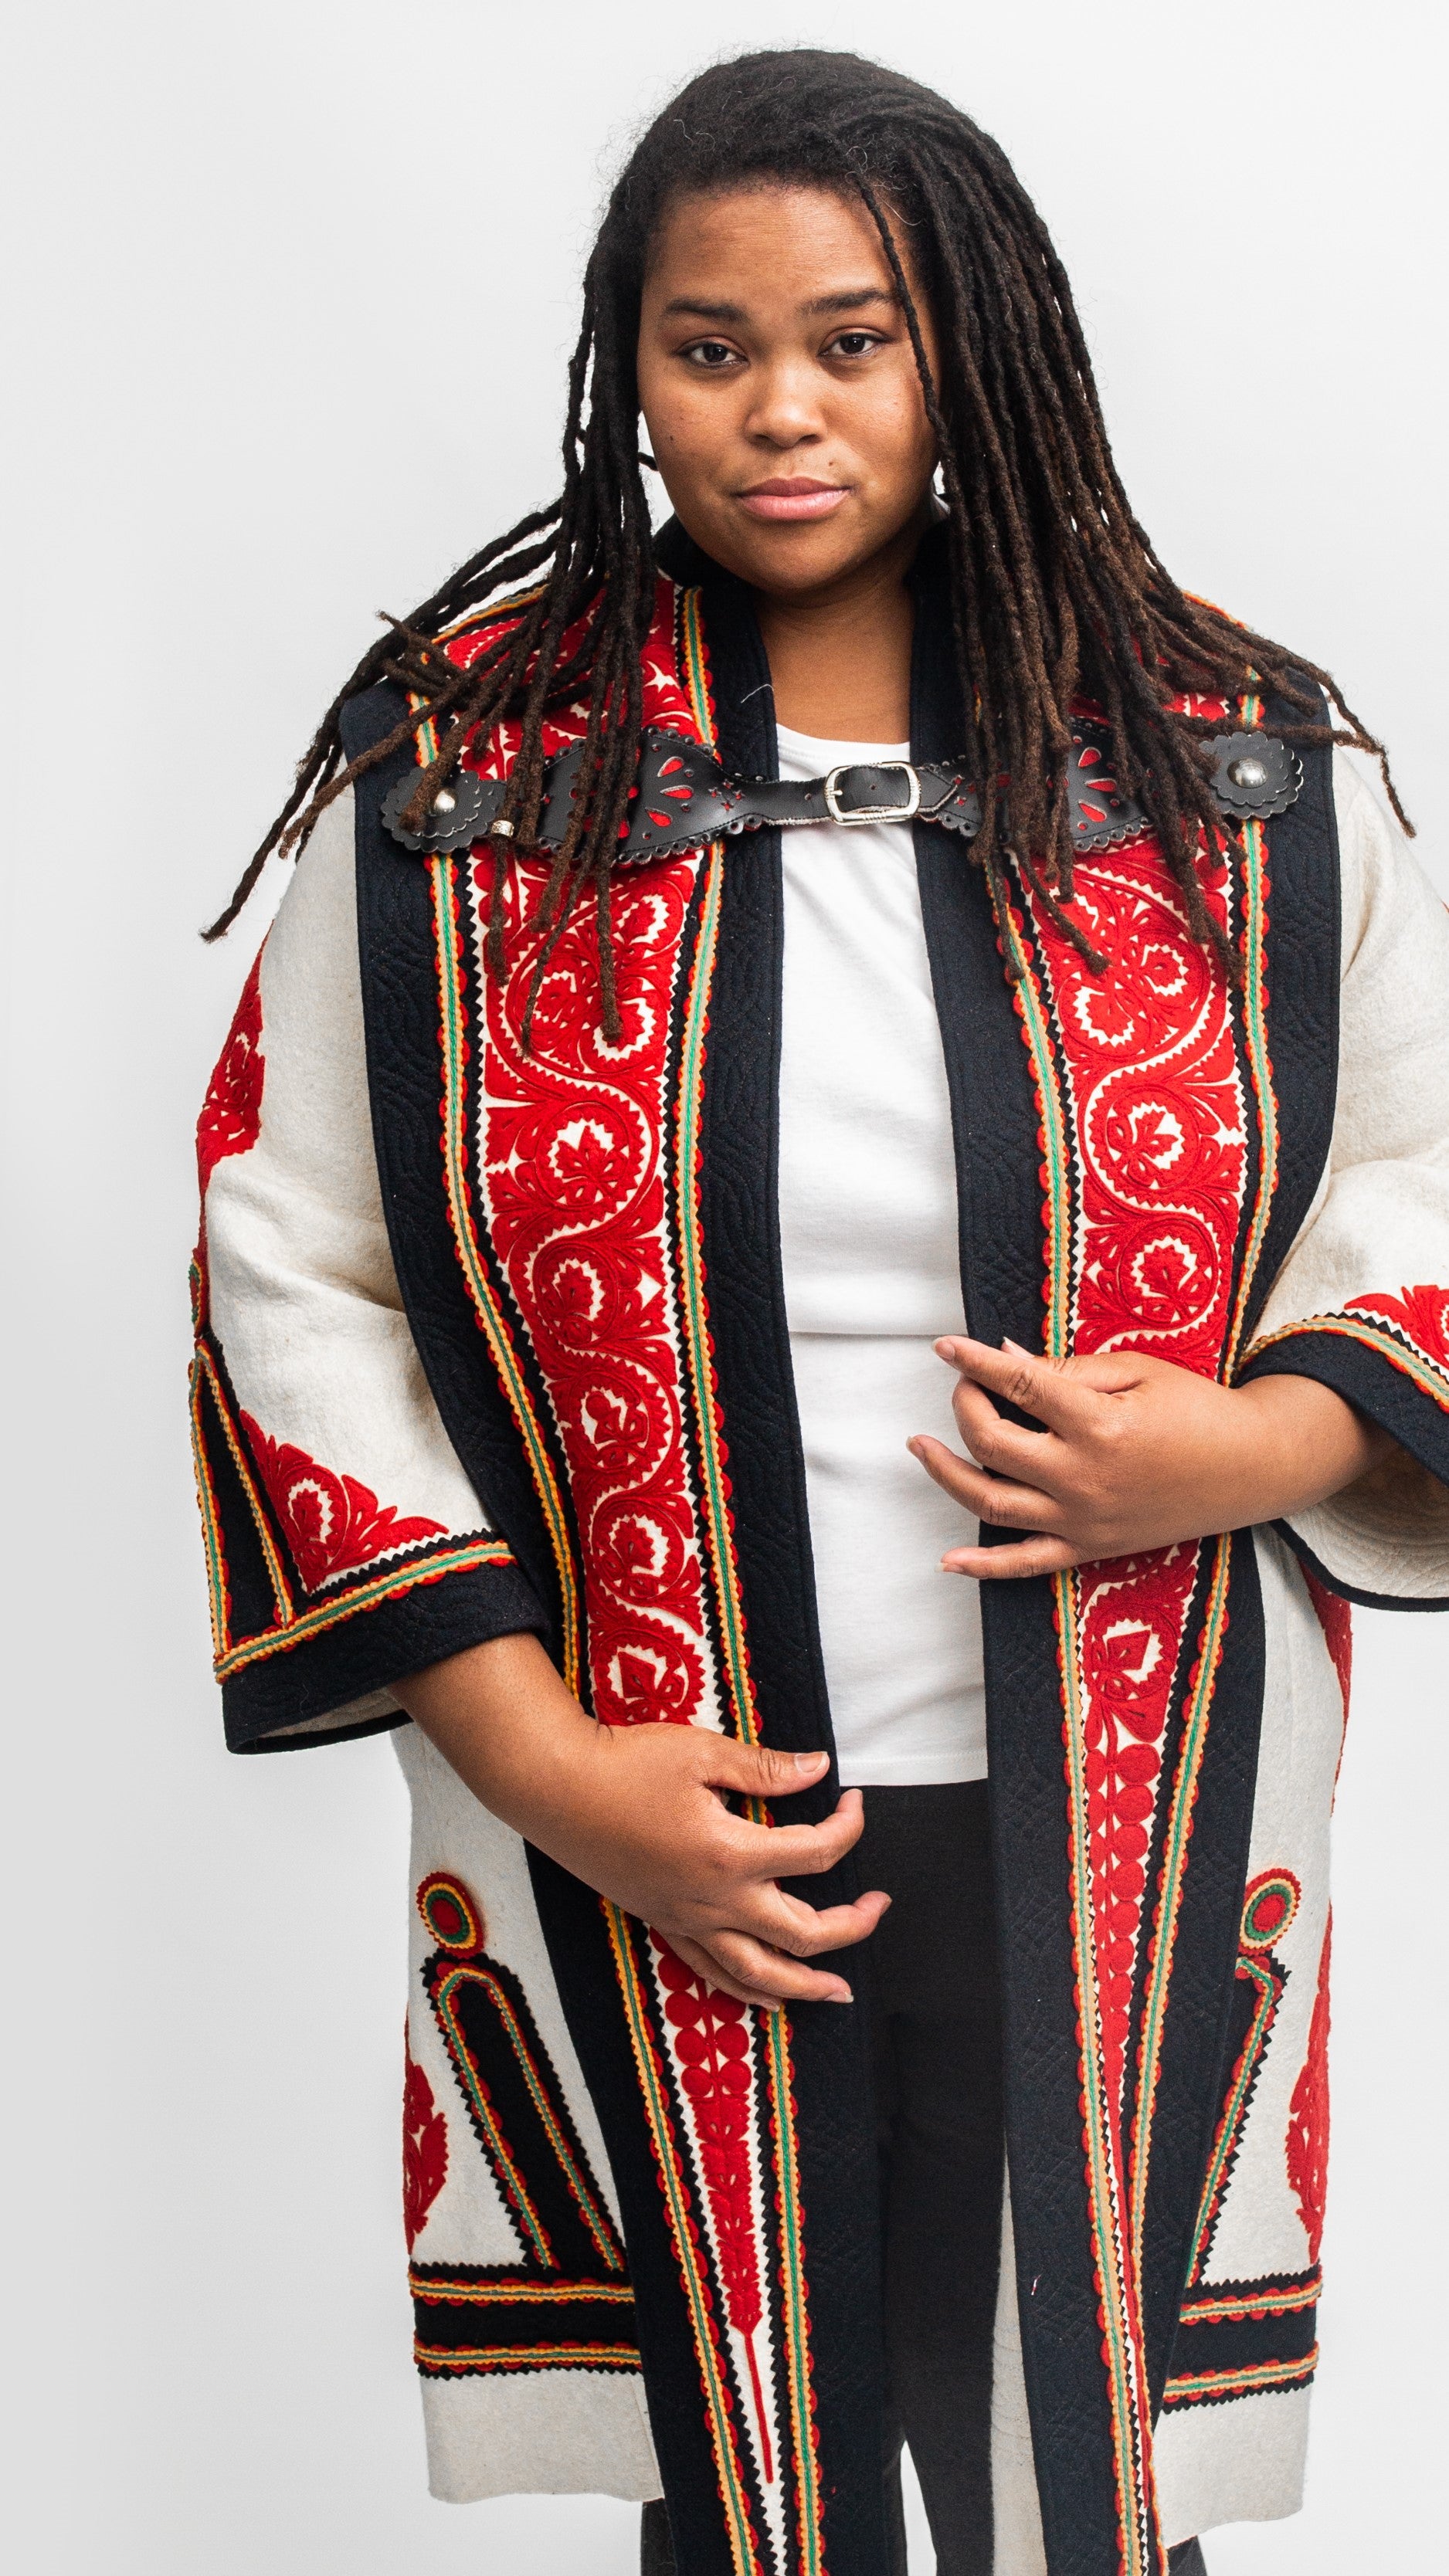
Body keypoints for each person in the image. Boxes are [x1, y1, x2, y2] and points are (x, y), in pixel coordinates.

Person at [188, 47, 1449, 2576]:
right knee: (744, 2488)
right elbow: (280, 1261)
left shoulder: (1231, 765)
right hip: (670, 1798)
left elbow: (1423, 1183)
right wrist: (548, 1768)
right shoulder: (464, 788)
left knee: (1084, 2482)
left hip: (1132, 1778)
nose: (778, 411)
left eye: (853, 341)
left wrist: (1267, 1446)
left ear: (966, 348)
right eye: (706, 344)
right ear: (625, 366)